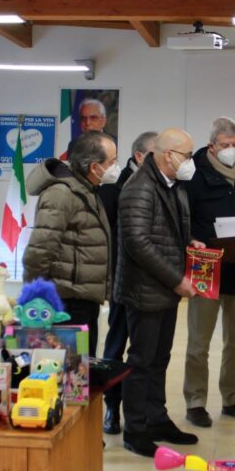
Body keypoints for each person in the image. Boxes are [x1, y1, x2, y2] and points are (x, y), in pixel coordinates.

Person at [115, 128, 204, 457]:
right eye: (188, 155)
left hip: (164, 290)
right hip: (144, 290)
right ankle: (135, 430)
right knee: (140, 361)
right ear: (168, 155)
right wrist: (175, 279)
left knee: (159, 359)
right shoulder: (138, 188)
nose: (191, 162)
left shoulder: (173, 185)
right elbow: (138, 243)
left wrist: (189, 243)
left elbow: (169, 230)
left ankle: (157, 418)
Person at [182, 117, 235, 428]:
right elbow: (183, 218)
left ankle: (232, 398)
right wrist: (191, 240)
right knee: (198, 341)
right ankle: (195, 401)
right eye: (225, 145)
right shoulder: (194, 175)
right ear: (211, 146)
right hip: (206, 264)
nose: (231, 150)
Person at [23, 131, 114, 354]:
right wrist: (36, 296)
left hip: (82, 297)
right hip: (66, 300)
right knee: (68, 372)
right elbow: (39, 251)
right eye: (112, 162)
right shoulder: (62, 193)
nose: (115, 167)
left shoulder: (85, 189)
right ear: (94, 166)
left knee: (82, 373)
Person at [99, 130, 158, 435]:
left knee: (145, 351)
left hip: (150, 285)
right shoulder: (113, 187)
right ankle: (111, 406)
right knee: (115, 345)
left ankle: (143, 411)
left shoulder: (163, 185)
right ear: (139, 156)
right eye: (156, 153)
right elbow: (106, 238)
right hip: (122, 281)